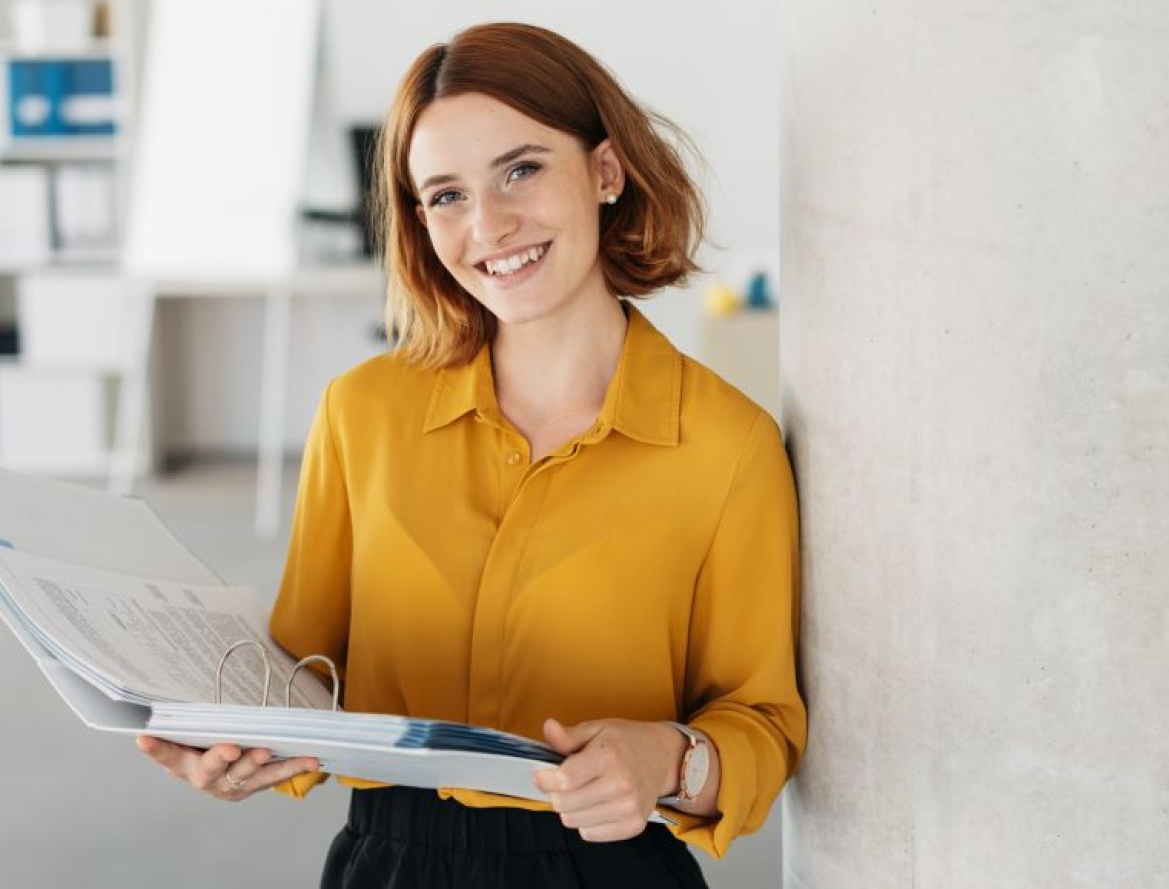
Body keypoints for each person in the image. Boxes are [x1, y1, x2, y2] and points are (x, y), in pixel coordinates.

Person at [136, 21, 806, 887]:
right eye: (446, 195)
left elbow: (764, 721)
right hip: (387, 862)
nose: (488, 225)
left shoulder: (729, 447)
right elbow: (300, 675)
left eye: (521, 169)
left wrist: (672, 760)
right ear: (419, 220)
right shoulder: (361, 413)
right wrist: (235, 745)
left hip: (610, 870)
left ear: (606, 171)